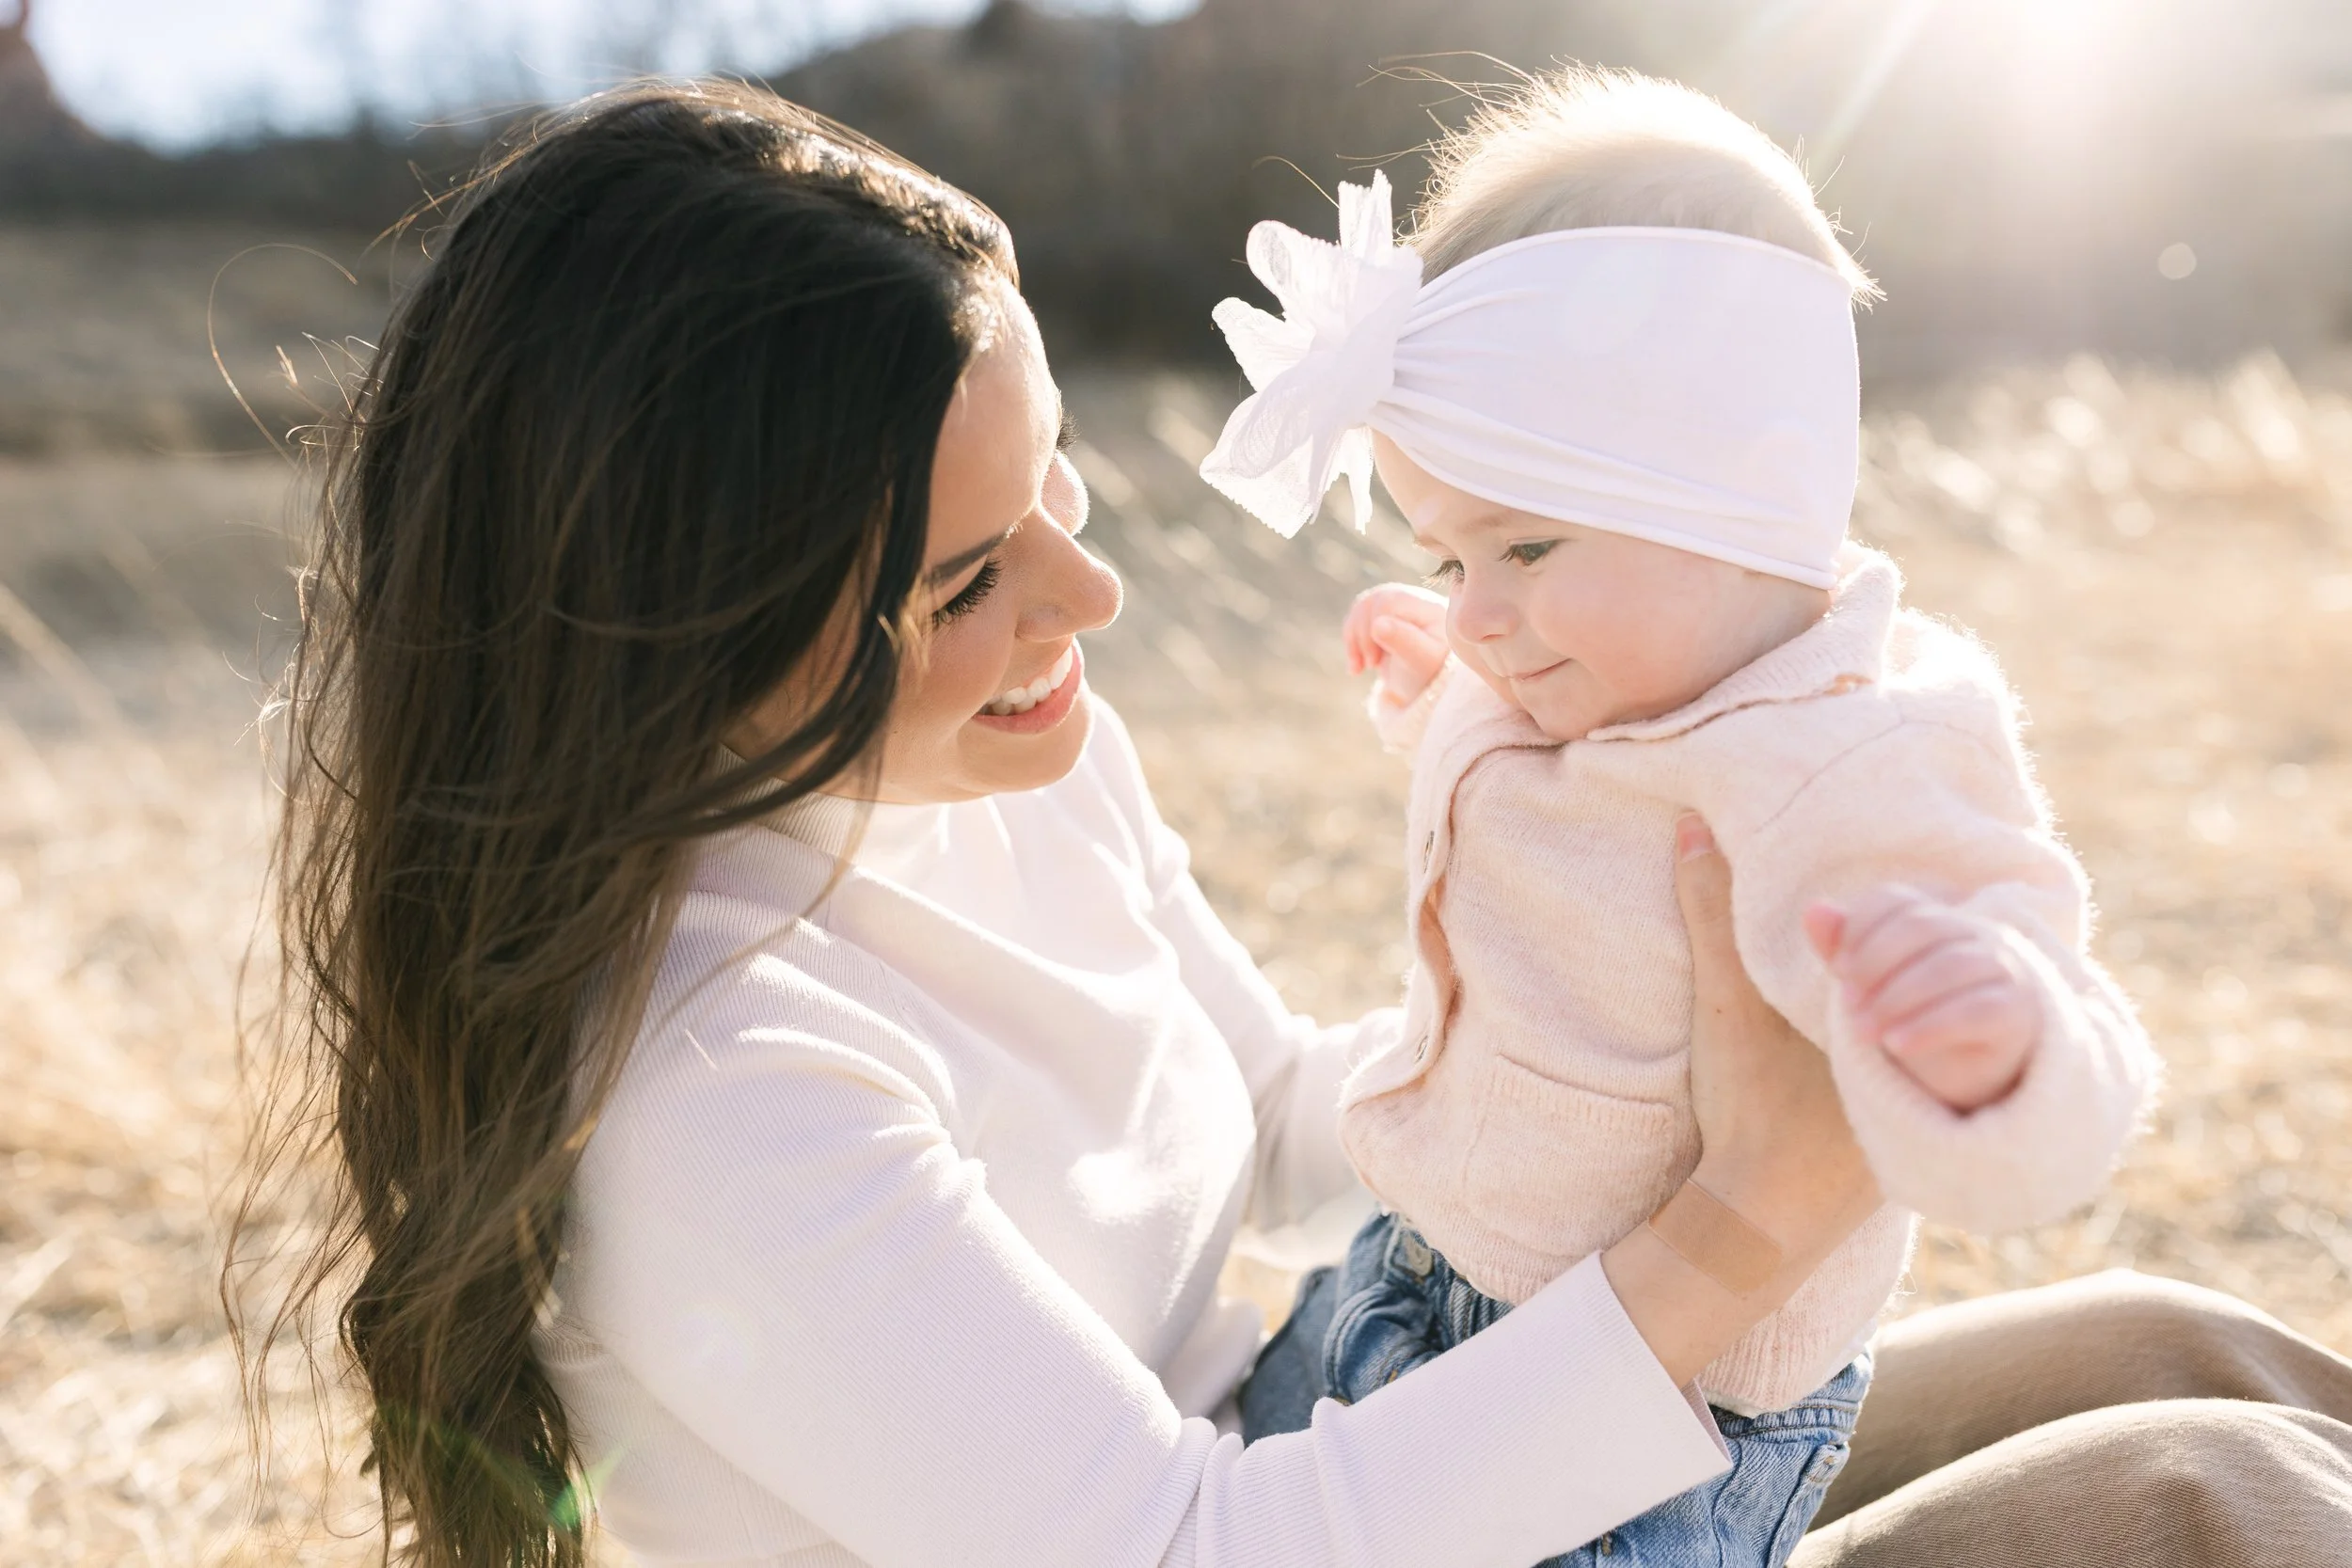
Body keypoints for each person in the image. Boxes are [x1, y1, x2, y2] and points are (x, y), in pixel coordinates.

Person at [242, 78, 2352, 1568]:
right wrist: (1744, 1215)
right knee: (2215, 1502)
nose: (1084, 601)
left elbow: (1264, 1102)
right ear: (676, 641)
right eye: (967, 580)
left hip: (1325, 1414)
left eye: (1052, 482)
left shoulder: (1007, 750)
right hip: (1268, 1529)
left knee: (2190, 1342)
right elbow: (1184, 1550)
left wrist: (1607, 998)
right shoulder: (708, 1085)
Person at [1198, 69, 2159, 1565]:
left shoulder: (1857, 756)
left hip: (1661, 1421)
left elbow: (2065, 1085)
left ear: (1738, 491)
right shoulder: (1591, 666)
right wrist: (1431, 678)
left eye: (1521, 542)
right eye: (1449, 560)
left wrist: (1995, 1043)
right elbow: (1550, 824)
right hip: (1398, 1271)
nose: (1486, 616)